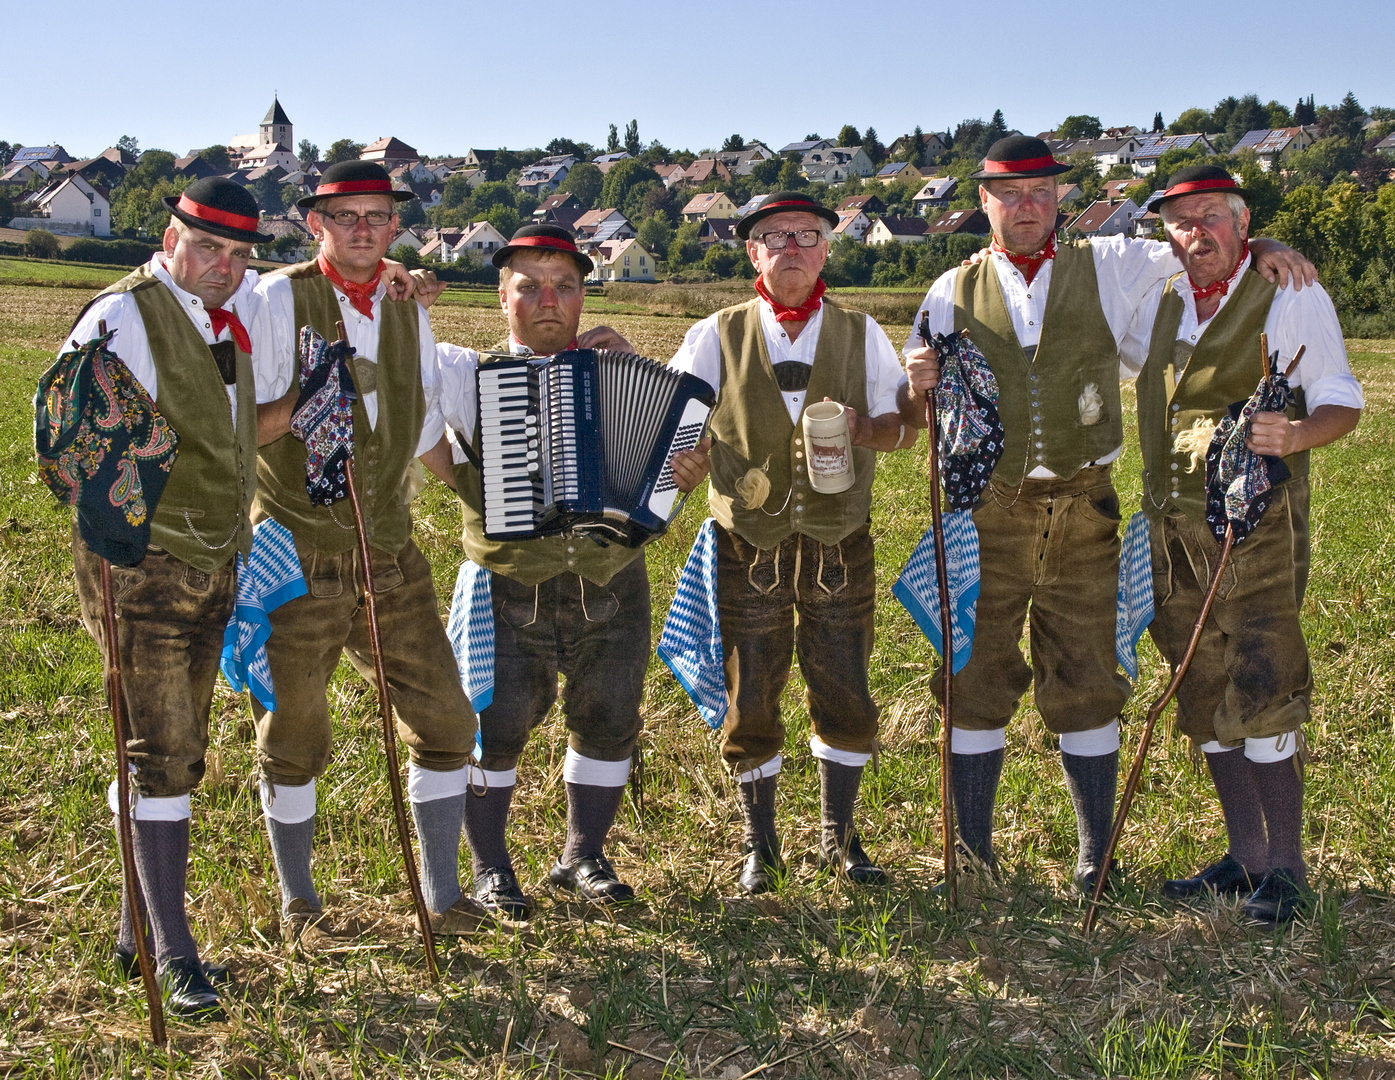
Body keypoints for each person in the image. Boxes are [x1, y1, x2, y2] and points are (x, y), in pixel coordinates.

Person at [902, 137, 1315, 892]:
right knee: (971, 673)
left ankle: (1095, 858)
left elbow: (1206, 248)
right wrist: (917, 385)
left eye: (1040, 192)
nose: (1026, 206)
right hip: (985, 509)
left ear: (1059, 197)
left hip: (1083, 505)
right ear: (983, 202)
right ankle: (970, 855)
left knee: (1087, 676)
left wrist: (1266, 246)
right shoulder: (946, 290)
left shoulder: (1115, 264)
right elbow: (911, 410)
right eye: (1008, 193)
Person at [421, 223, 708, 916]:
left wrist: (684, 475)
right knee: (495, 725)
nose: (548, 301)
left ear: (583, 296)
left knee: (608, 719)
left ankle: (582, 855)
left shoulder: (624, 368)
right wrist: (469, 484)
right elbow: (411, 398)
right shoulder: (467, 372)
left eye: (565, 287)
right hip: (507, 581)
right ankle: (491, 867)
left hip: (612, 580)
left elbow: (666, 478)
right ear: (501, 297)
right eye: (529, 288)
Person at [1120, 165, 1361, 922]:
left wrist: (1293, 434)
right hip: (1169, 528)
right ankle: (1243, 858)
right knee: (1197, 689)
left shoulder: (1290, 293)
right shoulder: (1155, 303)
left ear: (1242, 220)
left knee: (1262, 683)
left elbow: (1341, 401)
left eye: (1211, 217)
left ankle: (1285, 869)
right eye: (1181, 221)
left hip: (1254, 528)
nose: (1196, 233)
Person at [56, 177, 273, 1017]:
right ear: (170, 236)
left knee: (175, 747)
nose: (224, 266)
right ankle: (175, 954)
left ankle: (132, 931)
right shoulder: (123, 318)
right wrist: (125, 546)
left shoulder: (223, 311)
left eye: (239, 254)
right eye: (208, 247)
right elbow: (69, 445)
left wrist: (403, 279)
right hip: (140, 564)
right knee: (159, 749)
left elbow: (312, 279)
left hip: (213, 561)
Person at [251, 160, 484, 939]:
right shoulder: (278, 297)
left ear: (395, 226)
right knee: (295, 734)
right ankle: (298, 904)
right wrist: (311, 403)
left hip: (388, 549)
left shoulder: (405, 305)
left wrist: (488, 499)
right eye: (344, 215)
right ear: (314, 224)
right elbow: (240, 422)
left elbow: (420, 430)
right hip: (300, 548)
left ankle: (442, 898)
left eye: (376, 216)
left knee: (449, 723)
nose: (361, 228)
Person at [666, 192, 924, 894]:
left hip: (840, 542)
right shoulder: (712, 334)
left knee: (844, 687)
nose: (790, 247)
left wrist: (878, 428)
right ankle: (761, 845)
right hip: (746, 543)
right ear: (751, 252)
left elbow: (904, 426)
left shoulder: (860, 332)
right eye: (772, 236)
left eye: (805, 234)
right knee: (750, 694)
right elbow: (673, 431)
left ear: (826, 249)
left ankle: (840, 839)